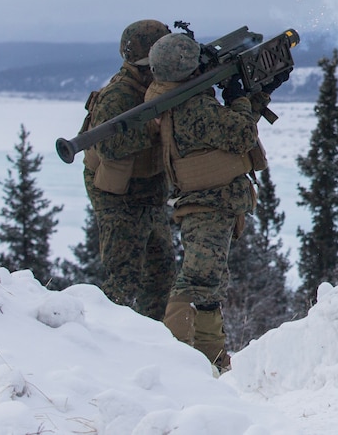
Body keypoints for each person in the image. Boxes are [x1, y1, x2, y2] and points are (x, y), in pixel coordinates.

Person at [146, 31, 284, 372]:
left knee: (209, 284)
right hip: (206, 204)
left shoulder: (168, 94)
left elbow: (227, 130)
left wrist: (257, 94)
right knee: (197, 280)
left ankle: (211, 359)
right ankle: (177, 361)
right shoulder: (193, 105)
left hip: (209, 202)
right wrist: (239, 97)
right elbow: (239, 134)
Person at [81, 19, 176, 319]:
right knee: (123, 279)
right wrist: (150, 127)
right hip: (119, 198)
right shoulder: (120, 95)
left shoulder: (155, 86)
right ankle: (110, 343)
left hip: (148, 194)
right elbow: (106, 146)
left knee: (161, 273)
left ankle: (153, 338)